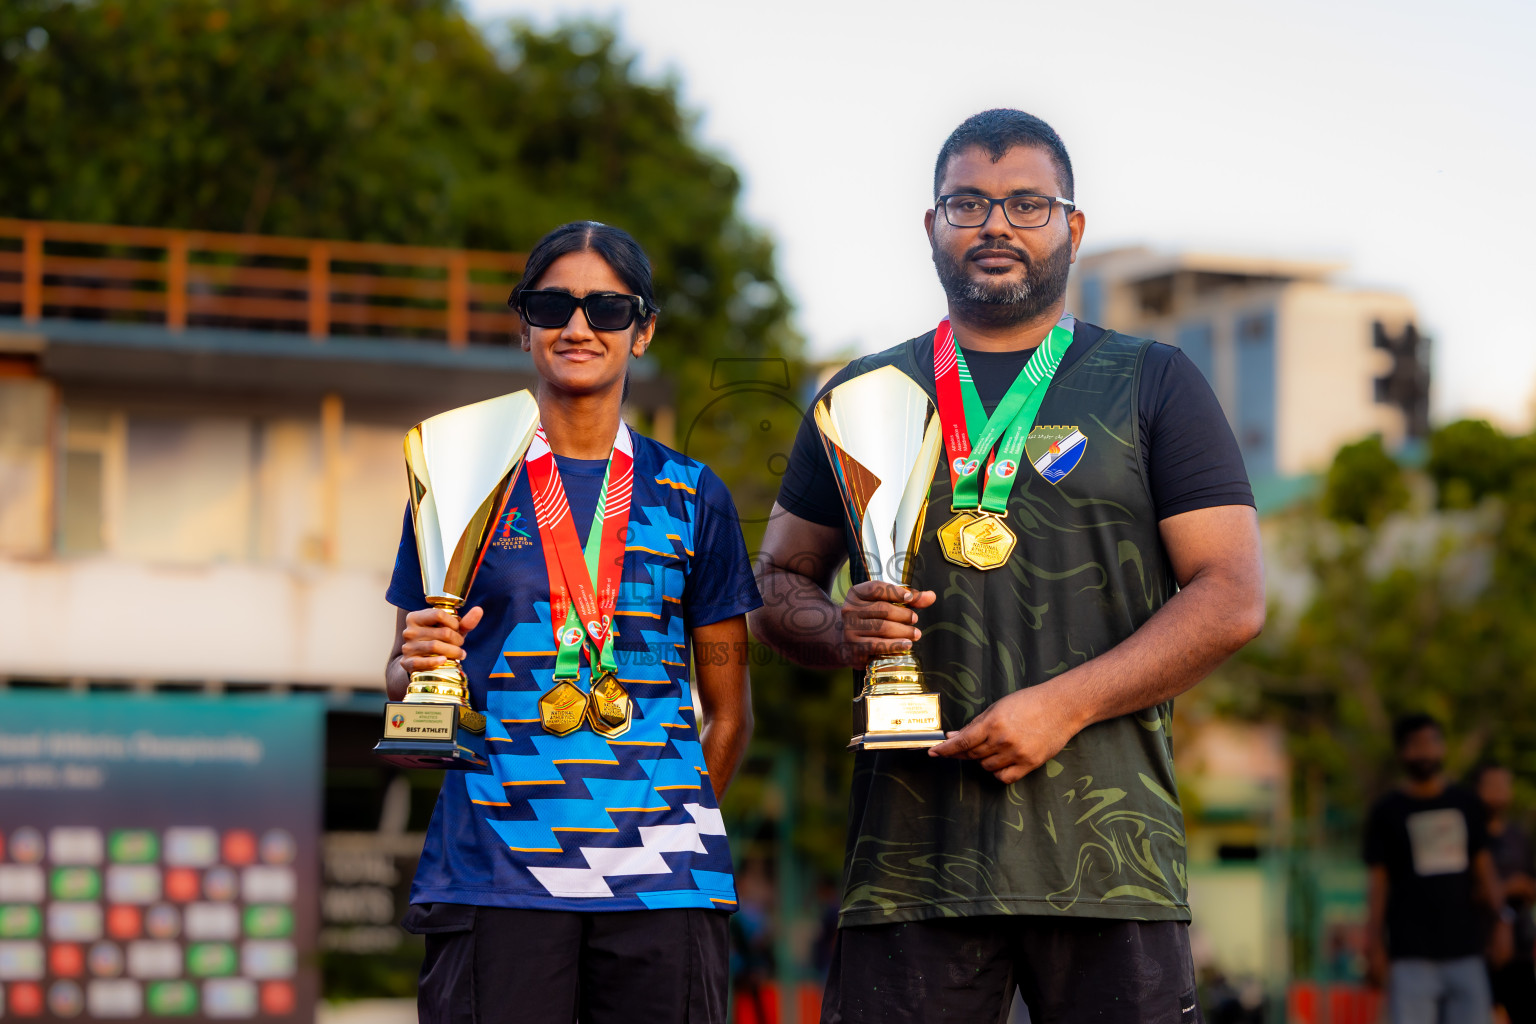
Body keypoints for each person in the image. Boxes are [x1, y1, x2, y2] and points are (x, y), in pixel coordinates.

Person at [750, 108, 1266, 1023]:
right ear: (931, 227)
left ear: (1072, 226)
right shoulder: (863, 396)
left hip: (1112, 866)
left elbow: (1230, 596)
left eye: (1027, 204)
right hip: (910, 868)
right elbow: (774, 585)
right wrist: (838, 629)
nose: (995, 225)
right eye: (968, 203)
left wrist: (1064, 705)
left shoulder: (1153, 380)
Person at [384, 221, 760, 1024]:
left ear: (643, 330)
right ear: (524, 325)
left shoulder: (695, 495)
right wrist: (413, 667)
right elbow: (403, 680)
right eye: (553, 304)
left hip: (663, 886)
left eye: (608, 308)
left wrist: (662, 825)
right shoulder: (458, 482)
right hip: (495, 876)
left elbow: (729, 711)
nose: (579, 326)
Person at [1364, 714, 1504, 1024]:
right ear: (1402, 752)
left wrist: (1501, 922)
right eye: (1416, 745)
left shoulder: (1465, 804)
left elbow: (1485, 871)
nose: (1425, 752)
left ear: (1443, 748)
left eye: (1432, 743)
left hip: (1466, 951)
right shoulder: (1387, 811)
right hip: (1410, 956)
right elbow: (1378, 882)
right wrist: (1373, 944)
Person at [1473, 762, 1536, 1022]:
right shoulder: (1469, 837)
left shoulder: (1519, 837)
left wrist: (1522, 887)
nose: (1498, 793)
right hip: (1476, 950)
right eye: (1491, 786)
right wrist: (1505, 888)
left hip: (1518, 950)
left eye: (1504, 786)